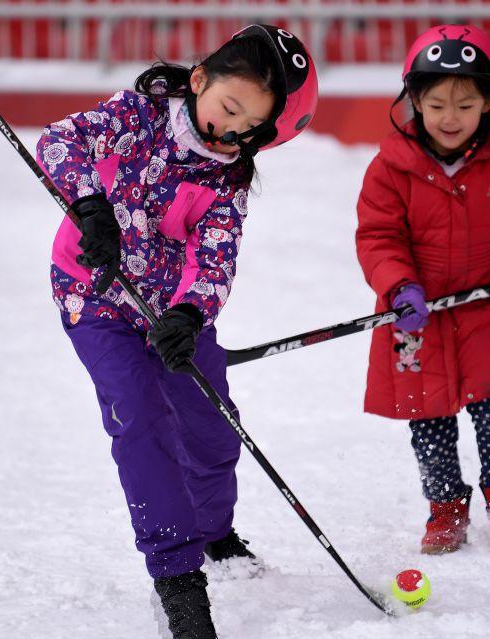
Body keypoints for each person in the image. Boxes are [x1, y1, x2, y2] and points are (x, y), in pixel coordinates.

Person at [36, 24, 317, 637]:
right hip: (96, 298)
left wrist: (191, 313)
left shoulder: (227, 177)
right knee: (140, 418)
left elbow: (215, 253)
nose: (230, 132)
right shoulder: (137, 115)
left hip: (171, 315)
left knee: (213, 432)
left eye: (249, 130)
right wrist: (89, 207)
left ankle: (214, 530)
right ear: (198, 80)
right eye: (228, 108)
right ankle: (179, 579)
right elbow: (60, 143)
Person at [355, 24, 490, 556]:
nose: (451, 118)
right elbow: (378, 236)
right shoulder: (389, 168)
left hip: (487, 309)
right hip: (415, 317)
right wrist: (397, 285)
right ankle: (445, 511)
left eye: (466, 104)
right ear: (414, 102)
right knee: (428, 419)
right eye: (438, 104)